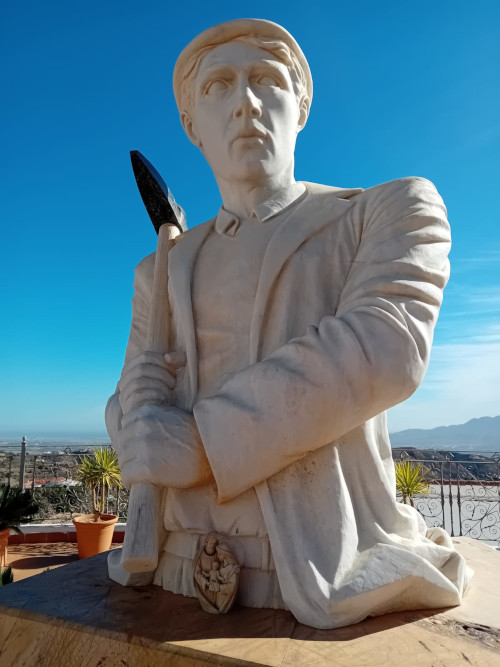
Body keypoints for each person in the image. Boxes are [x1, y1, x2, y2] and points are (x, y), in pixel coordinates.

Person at [106, 19, 472, 629]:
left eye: (267, 79)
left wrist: (202, 445)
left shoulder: (387, 211)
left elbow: (385, 345)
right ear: (192, 126)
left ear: (300, 106)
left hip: (317, 568)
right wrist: (129, 416)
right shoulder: (160, 270)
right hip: (170, 564)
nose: (246, 102)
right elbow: (130, 408)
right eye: (219, 85)